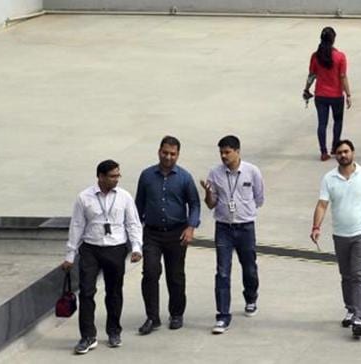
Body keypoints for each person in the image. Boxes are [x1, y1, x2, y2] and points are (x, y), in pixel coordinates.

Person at [60, 160, 143, 354]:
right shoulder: (84, 197)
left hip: (116, 248)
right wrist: (70, 255)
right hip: (91, 249)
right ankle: (87, 336)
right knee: (87, 292)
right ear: (101, 177)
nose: (116, 179)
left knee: (114, 292)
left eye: (118, 175)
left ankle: (114, 331)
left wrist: (136, 247)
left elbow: (133, 223)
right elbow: (77, 226)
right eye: (113, 176)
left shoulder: (124, 197)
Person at [310, 139, 361, 338]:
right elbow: (322, 204)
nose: (343, 155)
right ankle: (351, 308)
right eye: (339, 152)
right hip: (340, 234)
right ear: (335, 155)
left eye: (346, 151)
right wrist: (316, 227)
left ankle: (360, 318)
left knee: (358, 275)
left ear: (353, 152)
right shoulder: (329, 178)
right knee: (346, 275)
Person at [135, 136, 201, 335]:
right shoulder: (146, 176)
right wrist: (135, 235)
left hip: (176, 233)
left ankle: (176, 314)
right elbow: (138, 206)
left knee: (176, 276)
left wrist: (191, 227)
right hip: (152, 234)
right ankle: (152, 317)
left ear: (178, 155)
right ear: (159, 152)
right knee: (150, 273)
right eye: (165, 153)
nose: (168, 157)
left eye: (173, 154)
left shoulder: (184, 177)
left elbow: (195, 204)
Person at [199, 135, 265, 334]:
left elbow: (259, 198)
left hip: (245, 227)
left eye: (227, 152)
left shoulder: (252, 172)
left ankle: (251, 296)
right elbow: (211, 204)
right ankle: (222, 315)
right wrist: (208, 193)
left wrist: (246, 210)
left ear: (237, 151)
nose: (224, 156)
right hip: (224, 227)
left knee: (249, 267)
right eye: (221, 152)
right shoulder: (215, 173)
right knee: (222, 272)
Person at [303, 26, 352, 162]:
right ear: (334, 39)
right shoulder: (340, 56)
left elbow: (311, 75)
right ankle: (335, 148)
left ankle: (323, 151)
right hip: (336, 95)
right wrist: (348, 94)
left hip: (320, 95)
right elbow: (343, 76)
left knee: (322, 124)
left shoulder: (315, 56)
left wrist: (306, 89)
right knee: (338, 121)